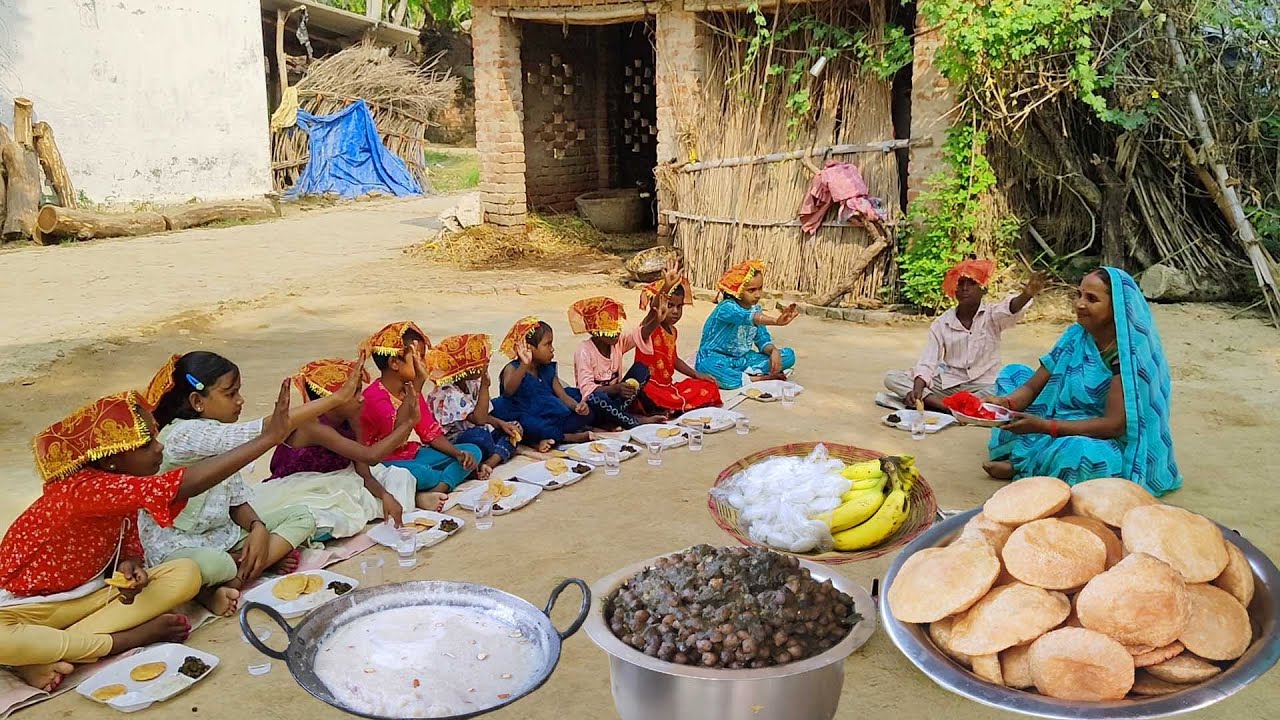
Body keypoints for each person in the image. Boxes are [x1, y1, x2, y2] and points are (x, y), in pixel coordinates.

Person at [0, 384, 292, 692]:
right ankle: (124, 640)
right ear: (111, 460)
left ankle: (40, 655)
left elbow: (128, 552)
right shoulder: (84, 489)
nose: (159, 448)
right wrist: (268, 438)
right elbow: (183, 485)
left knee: (184, 574)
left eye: (154, 438)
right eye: (146, 445)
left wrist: (131, 567)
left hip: (86, 601)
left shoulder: (121, 484)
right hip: (20, 608)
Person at [140, 351, 334, 616]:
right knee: (214, 564)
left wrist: (258, 528)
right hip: (180, 545)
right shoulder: (182, 434)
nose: (240, 401)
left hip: (223, 534)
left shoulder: (219, 435)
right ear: (197, 401)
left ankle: (239, 574)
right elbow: (260, 431)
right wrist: (336, 399)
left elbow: (236, 500)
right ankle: (246, 569)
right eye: (230, 394)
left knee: (302, 516)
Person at [983, 268, 1182, 495]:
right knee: (1013, 375)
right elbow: (1032, 386)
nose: (1079, 304)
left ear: (1116, 307)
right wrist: (1005, 404)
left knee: (1079, 454)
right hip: (1060, 418)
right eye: (1078, 295)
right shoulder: (1076, 336)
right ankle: (1030, 460)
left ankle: (1027, 465)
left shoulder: (1126, 354)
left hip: (1107, 438)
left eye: (1092, 299)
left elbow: (1114, 425)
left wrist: (1046, 427)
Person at [257, 358, 442, 537]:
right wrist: (408, 423)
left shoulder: (352, 420)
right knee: (329, 518)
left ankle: (411, 499)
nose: (362, 399)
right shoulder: (313, 426)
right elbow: (371, 456)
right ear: (333, 400)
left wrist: (385, 495)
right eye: (354, 393)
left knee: (400, 477)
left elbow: (364, 470)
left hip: (341, 480)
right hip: (303, 488)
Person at [883, 259, 1045, 412]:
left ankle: (944, 405)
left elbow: (1010, 308)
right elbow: (927, 362)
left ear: (983, 290)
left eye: (972, 283)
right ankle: (950, 408)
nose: (965, 288)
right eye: (961, 283)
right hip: (949, 384)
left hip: (984, 385)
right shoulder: (942, 323)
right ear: (954, 289)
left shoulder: (992, 315)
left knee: (1011, 387)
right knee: (892, 378)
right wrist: (917, 390)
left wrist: (1027, 294)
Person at [359, 321, 484, 495]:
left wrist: (457, 453)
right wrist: (417, 385)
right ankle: (445, 480)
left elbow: (430, 433)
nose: (423, 365)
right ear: (395, 362)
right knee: (422, 473)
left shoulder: (408, 390)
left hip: (410, 454)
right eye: (418, 358)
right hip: (381, 463)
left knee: (472, 451)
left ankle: (441, 486)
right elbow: (396, 434)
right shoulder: (375, 397)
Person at [425, 334, 522, 479]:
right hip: (454, 444)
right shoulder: (447, 392)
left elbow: (485, 416)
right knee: (480, 437)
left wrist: (502, 424)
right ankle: (479, 464)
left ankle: (488, 463)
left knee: (514, 429)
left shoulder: (471, 383)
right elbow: (480, 419)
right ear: (466, 368)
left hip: (476, 433)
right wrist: (485, 385)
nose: (485, 364)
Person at [490, 316, 592, 452]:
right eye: (547, 344)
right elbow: (509, 391)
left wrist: (577, 407)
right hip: (523, 413)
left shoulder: (546, 368)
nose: (552, 349)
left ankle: (547, 438)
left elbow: (562, 395)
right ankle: (568, 437)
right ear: (529, 348)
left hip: (549, 412)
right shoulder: (513, 368)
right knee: (530, 426)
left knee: (587, 407)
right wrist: (524, 365)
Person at [695, 259, 799, 390]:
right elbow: (747, 317)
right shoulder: (726, 308)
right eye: (752, 290)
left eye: (760, 288)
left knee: (788, 356)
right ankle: (759, 378)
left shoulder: (756, 309)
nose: (758, 294)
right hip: (716, 358)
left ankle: (745, 376)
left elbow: (762, 340)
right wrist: (776, 321)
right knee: (706, 367)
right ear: (737, 291)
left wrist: (774, 351)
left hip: (743, 359)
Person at [569, 295, 667, 430]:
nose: (616, 333)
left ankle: (616, 419)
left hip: (617, 403)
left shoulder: (617, 343)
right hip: (597, 407)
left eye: (617, 326)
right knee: (596, 397)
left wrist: (656, 320)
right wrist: (615, 388)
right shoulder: (584, 350)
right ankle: (633, 421)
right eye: (610, 329)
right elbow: (587, 390)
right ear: (595, 331)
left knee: (641, 369)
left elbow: (640, 334)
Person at [632, 272, 722, 414]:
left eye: (679, 306)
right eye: (670, 305)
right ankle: (665, 407)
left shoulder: (673, 331)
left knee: (709, 386)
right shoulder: (650, 327)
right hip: (649, 386)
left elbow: (674, 359)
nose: (675, 311)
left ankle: (669, 407)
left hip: (667, 388)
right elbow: (655, 308)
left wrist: (696, 374)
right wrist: (667, 286)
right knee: (646, 392)